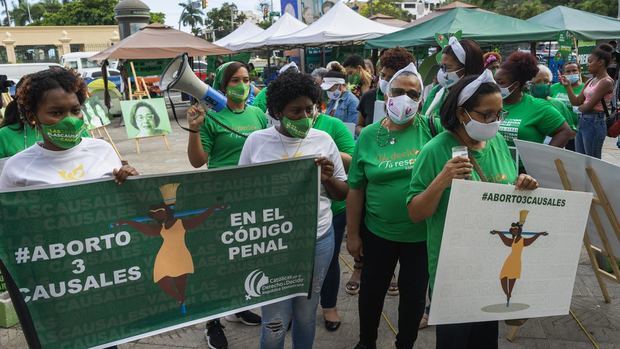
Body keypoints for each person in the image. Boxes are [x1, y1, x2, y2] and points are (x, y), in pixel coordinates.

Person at [0, 67, 138, 349]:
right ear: (32, 117)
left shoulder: (102, 151)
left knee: (105, 340)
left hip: (103, 275)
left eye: (75, 110)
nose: (70, 120)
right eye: (56, 112)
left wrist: (133, 184)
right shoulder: (16, 168)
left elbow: (125, 209)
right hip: (54, 282)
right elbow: (10, 230)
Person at [406, 71, 539, 349]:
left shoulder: (499, 143)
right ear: (461, 113)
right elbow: (416, 213)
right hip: (453, 269)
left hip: (493, 264)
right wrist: (441, 182)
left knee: (485, 338)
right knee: (455, 339)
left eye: (499, 113)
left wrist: (522, 186)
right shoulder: (436, 150)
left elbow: (504, 194)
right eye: (485, 114)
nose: (494, 121)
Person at [238, 72, 348, 349]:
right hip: (272, 243)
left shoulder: (323, 140)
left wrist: (329, 177)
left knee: (306, 314)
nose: (304, 117)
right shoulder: (256, 142)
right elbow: (240, 193)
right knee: (274, 321)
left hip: (318, 240)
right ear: (277, 112)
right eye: (295, 111)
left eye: (309, 110)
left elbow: (341, 194)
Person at [347, 63, 432, 349]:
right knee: (371, 293)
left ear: (421, 99)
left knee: (414, 297)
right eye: (399, 91)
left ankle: (405, 343)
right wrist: (354, 234)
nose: (406, 98)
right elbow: (356, 187)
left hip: (421, 236)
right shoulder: (370, 134)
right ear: (387, 93)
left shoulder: (432, 130)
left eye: (414, 93)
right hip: (378, 232)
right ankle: (366, 341)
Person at [186, 61, 265, 349]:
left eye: (246, 79)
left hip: (251, 196)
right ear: (222, 86)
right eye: (235, 81)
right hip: (220, 197)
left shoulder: (257, 114)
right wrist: (194, 129)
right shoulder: (209, 116)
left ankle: (239, 306)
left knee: (245, 257)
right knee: (219, 262)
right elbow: (197, 161)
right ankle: (212, 322)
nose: (242, 85)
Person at [117, 192, 224, 316]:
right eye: (155, 213)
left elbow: (198, 220)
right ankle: (179, 299)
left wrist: (212, 209)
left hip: (180, 255)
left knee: (180, 282)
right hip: (164, 257)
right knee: (161, 279)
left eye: (160, 210)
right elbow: (145, 229)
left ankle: (182, 304)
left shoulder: (181, 223)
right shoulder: (161, 228)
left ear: (167, 211)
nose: (158, 213)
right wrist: (128, 222)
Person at [309, 76, 356, 333]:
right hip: (296, 209)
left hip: (331, 208)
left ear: (318, 105)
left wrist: (329, 156)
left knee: (329, 259)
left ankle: (329, 307)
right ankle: (297, 307)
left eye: (309, 107)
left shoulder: (332, 126)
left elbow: (354, 158)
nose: (304, 114)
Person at [494, 52, 574, 170]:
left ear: (515, 85)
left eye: (500, 83)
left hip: (524, 173)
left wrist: (542, 160)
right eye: (494, 81)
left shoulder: (538, 107)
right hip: (496, 169)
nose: (495, 86)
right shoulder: (492, 104)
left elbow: (565, 132)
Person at [560, 44, 614, 159]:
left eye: (590, 61)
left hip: (595, 121)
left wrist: (576, 108)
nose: (587, 65)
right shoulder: (590, 80)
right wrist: (568, 87)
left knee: (592, 160)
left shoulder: (606, 82)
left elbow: (588, 106)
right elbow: (576, 101)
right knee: (581, 158)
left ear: (601, 62)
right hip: (583, 120)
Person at [490, 210, 548, 307]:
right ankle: (507, 294)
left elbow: (532, 239)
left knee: (511, 279)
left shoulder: (523, 240)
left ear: (519, 231)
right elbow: (504, 239)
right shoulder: (512, 240)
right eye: (513, 231)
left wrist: (539, 234)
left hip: (516, 262)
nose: (514, 231)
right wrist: (498, 232)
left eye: (516, 230)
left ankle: (509, 295)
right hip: (509, 261)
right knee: (503, 277)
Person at [356, 47, 416, 135]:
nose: (384, 80)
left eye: (390, 77)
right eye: (383, 75)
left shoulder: (409, 101)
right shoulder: (368, 96)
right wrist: (368, 134)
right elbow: (359, 125)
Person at [422, 37, 484, 119]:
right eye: (441, 67)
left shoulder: (482, 98)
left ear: (468, 68)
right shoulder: (437, 91)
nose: (442, 72)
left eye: (447, 67)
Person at [551, 61, 585, 151]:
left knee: (573, 158)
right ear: (563, 74)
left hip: (576, 132)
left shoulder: (585, 88)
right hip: (557, 130)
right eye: (568, 72)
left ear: (579, 72)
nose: (571, 73)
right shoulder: (553, 88)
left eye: (574, 70)